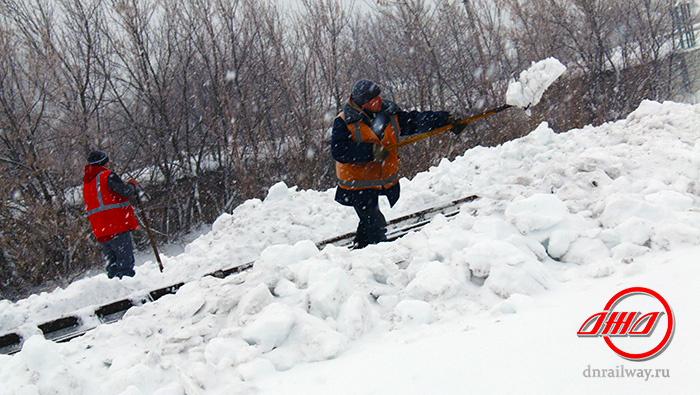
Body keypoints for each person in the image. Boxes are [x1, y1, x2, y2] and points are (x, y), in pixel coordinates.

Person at [331, 80, 466, 249]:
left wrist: (445, 120)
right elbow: (339, 151)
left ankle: (362, 248)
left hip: (376, 179)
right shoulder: (344, 122)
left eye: (379, 96)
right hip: (356, 183)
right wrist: (370, 151)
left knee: (368, 219)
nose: (380, 100)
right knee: (375, 221)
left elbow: (416, 121)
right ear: (364, 104)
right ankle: (379, 251)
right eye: (375, 99)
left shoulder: (389, 115)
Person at [82, 150, 140, 278]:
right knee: (125, 263)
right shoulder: (106, 176)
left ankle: (115, 289)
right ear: (103, 163)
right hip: (116, 225)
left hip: (100, 229)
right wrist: (132, 185)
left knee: (112, 264)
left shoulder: (87, 183)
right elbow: (125, 192)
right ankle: (126, 289)